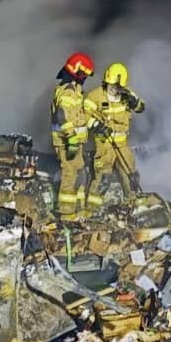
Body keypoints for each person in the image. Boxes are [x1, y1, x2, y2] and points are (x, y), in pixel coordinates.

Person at [84, 62, 146, 206]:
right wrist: (96, 125)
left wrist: (135, 103)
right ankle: (92, 209)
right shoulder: (95, 96)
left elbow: (141, 107)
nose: (113, 90)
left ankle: (135, 206)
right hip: (104, 144)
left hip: (122, 144)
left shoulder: (127, 94)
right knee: (103, 178)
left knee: (131, 175)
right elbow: (83, 116)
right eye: (110, 86)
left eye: (117, 87)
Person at [50, 52, 96, 218]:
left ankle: (79, 210)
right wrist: (71, 138)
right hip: (67, 142)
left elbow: (79, 116)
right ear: (76, 71)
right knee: (69, 175)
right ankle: (66, 213)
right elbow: (61, 116)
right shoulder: (67, 91)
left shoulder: (75, 89)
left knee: (80, 173)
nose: (84, 78)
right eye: (83, 75)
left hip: (75, 141)